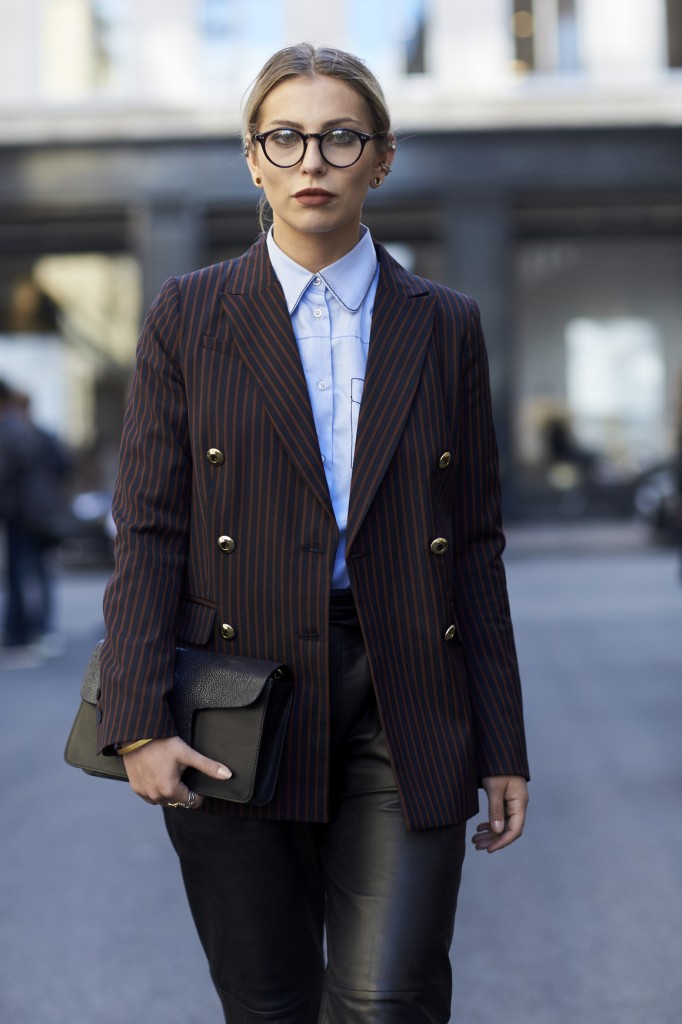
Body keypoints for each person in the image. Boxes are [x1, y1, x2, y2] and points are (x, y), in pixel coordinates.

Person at [97, 43, 530, 1024]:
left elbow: (474, 544)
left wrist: (501, 738)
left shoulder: (445, 323)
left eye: (340, 136)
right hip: (234, 700)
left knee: (386, 997)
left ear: (380, 158)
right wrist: (138, 717)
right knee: (269, 1002)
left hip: (404, 690)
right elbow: (153, 527)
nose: (312, 161)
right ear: (251, 158)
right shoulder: (188, 315)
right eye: (284, 137)